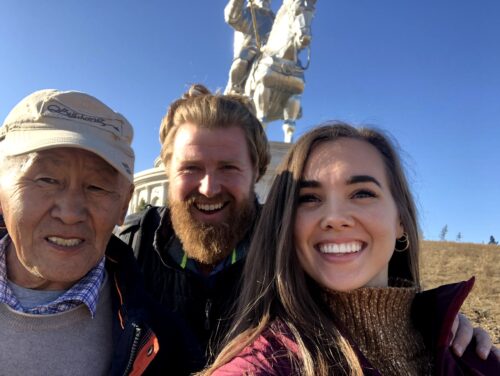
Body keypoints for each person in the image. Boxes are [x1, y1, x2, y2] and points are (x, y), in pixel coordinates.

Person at [117, 85, 495, 373]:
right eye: (191, 168)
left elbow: (363, 297)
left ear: (256, 174)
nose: (209, 187)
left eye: (229, 168)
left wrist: (435, 321)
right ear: (167, 172)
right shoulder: (125, 249)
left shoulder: (291, 249)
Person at [204, 122, 500, 375]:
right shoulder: (263, 365)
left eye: (361, 193)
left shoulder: (463, 350)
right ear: (286, 227)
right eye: (309, 198)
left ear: (400, 221)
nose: (334, 218)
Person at [0, 89, 197, 375]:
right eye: (46, 179)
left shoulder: (170, 349)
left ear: (124, 205)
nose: (69, 213)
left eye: (97, 187)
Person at [224, 0, 275, 94]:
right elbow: (232, 18)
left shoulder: (273, 18)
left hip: (268, 53)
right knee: (241, 62)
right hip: (249, 49)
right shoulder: (249, 12)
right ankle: (235, 88)